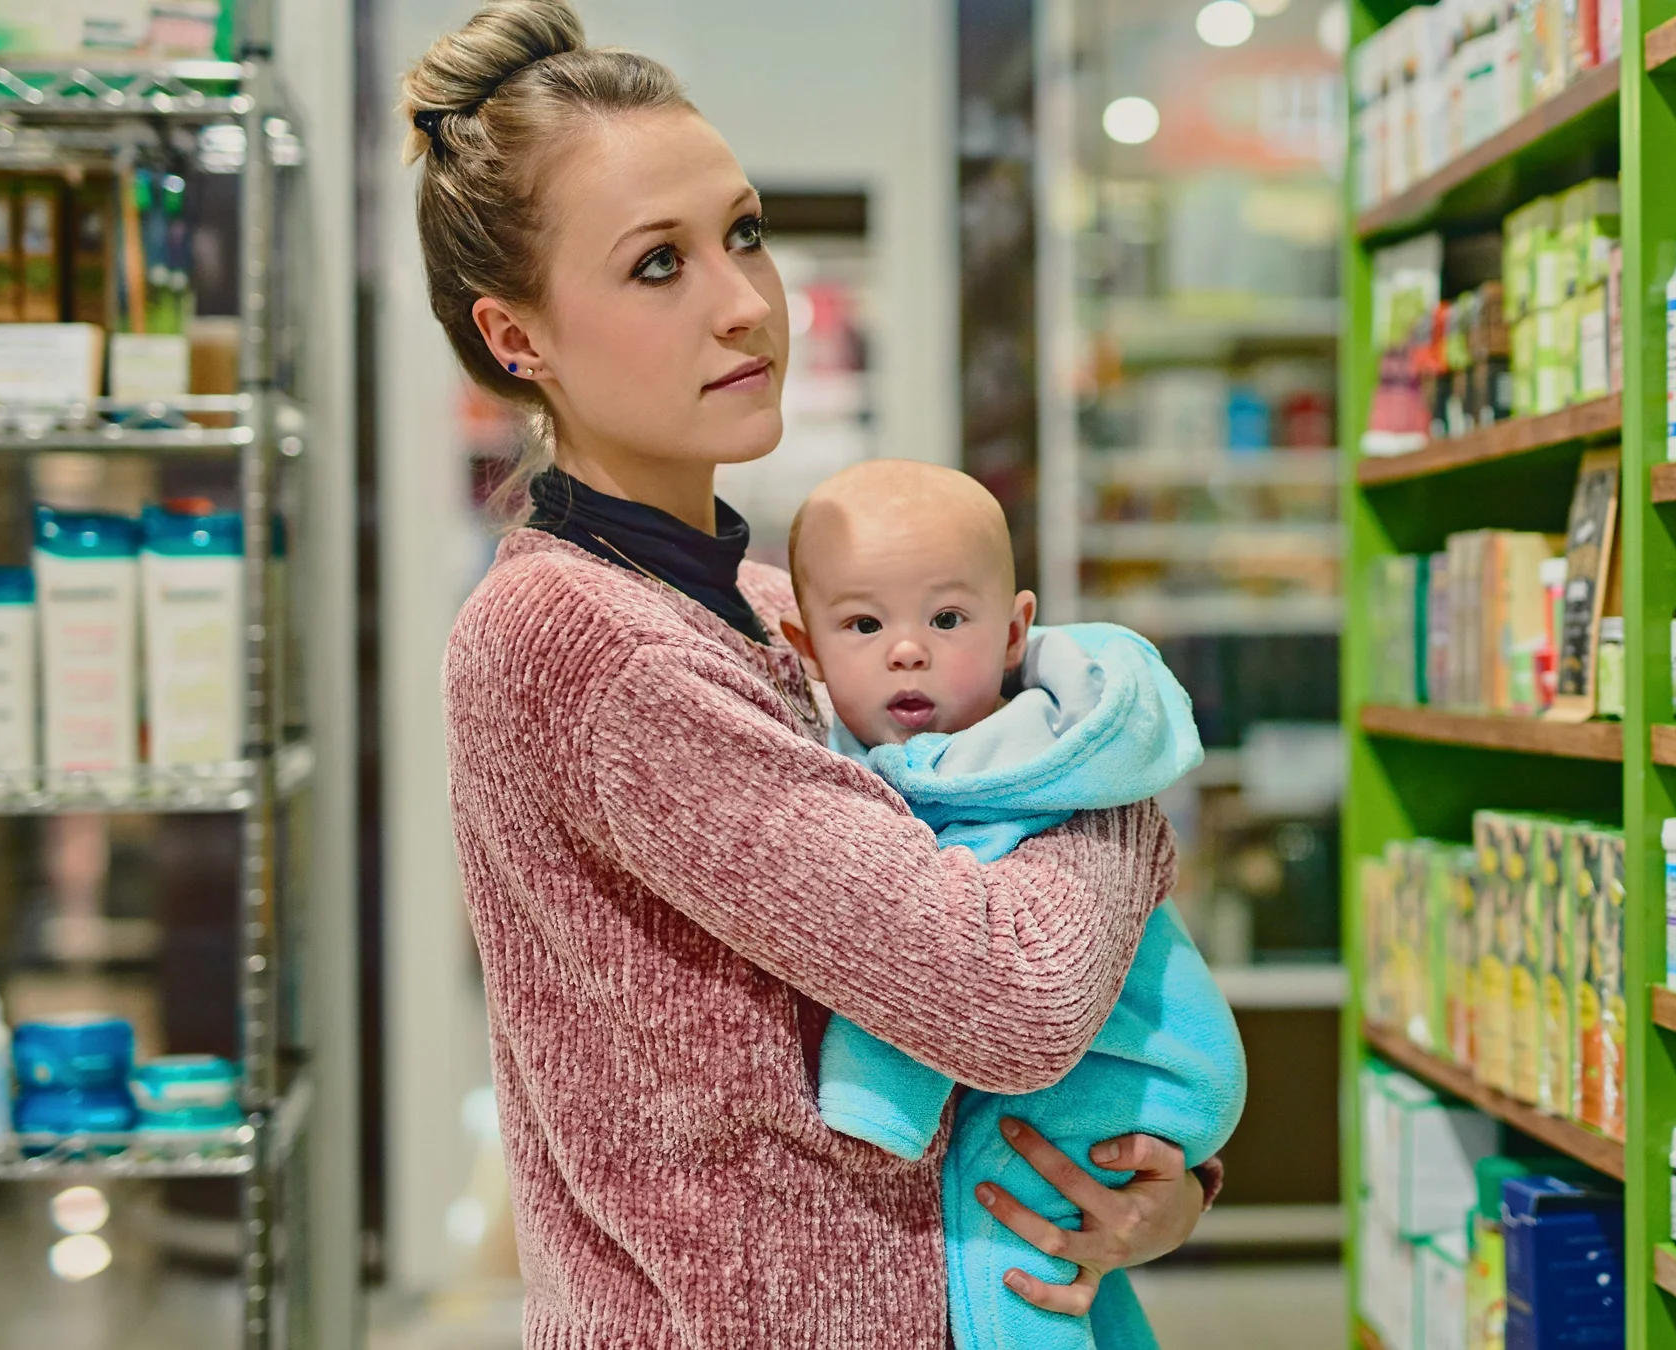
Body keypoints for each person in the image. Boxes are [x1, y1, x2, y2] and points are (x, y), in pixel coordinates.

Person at [410, 4, 1216, 1345]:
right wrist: (1118, 787)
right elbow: (1010, 991)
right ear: (518, 337)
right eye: (658, 263)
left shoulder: (775, 606)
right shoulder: (584, 641)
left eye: (743, 232)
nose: (743, 301)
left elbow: (1000, 977)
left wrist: (1156, 1179)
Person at [783, 459, 1246, 1350]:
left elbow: (949, 950)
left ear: (1013, 631)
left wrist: (876, 1101)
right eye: (863, 624)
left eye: (947, 619)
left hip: (1140, 1063)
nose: (905, 648)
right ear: (808, 651)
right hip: (1118, 1063)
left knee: (1012, 1243)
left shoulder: (1008, 758)